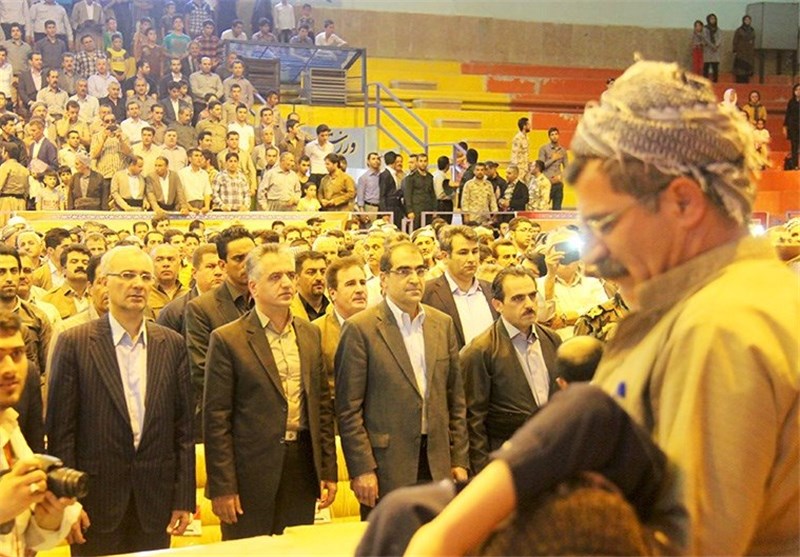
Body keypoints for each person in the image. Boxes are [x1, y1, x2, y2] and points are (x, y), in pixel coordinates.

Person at [405, 59, 799, 556]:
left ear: (683, 203)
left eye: (606, 224)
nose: (592, 258)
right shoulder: (699, 306)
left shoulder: (722, 326)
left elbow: (691, 546)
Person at [46, 246, 195, 556]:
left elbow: (183, 429)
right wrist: (68, 500)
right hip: (94, 498)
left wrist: (183, 498)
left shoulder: (171, 344)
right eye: (127, 276)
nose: (138, 284)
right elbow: (62, 432)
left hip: (155, 498)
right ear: (103, 281)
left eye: (145, 277)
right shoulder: (75, 342)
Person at [204, 243, 337, 539]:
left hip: (301, 465)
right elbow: (216, 421)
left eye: (290, 275)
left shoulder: (309, 333)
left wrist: (327, 470)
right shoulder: (228, 339)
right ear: (253, 286)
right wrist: (223, 486)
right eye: (275, 277)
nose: (287, 283)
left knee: (296, 549)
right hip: (249, 472)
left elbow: (322, 409)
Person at [335, 241, 469, 519]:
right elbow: (348, 410)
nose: (415, 279)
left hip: (437, 461)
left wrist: (458, 458)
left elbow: (455, 400)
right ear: (383, 279)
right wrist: (362, 469)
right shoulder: (361, 329)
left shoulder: (442, 324)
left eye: (420, 270)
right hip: (386, 465)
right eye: (404, 271)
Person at [460, 267, 562, 474]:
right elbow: (473, 419)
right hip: (507, 456)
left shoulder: (551, 339)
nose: (529, 304)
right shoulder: (480, 350)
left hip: (553, 450)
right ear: (497, 305)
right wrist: (483, 471)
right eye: (518, 299)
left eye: (532, 296)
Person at [0, 312, 82, 557]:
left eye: (17, 354)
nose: (10, 369)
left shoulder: (10, 426)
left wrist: (48, 519)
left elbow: (22, 539)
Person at [422, 225, 496, 349]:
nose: (471, 259)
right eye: (463, 253)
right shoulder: (427, 293)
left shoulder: (492, 290)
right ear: (445, 257)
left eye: (475, 251)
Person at [538, 127, 568, 210]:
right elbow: (540, 166)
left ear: (559, 135)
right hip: (546, 183)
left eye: (556, 134)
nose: (554, 136)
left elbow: (567, 168)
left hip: (558, 184)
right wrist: (553, 159)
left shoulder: (563, 151)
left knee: (557, 209)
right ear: (549, 137)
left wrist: (560, 177)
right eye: (552, 135)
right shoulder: (543, 149)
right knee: (543, 208)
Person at [732, 15, 755, 84]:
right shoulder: (739, 30)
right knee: (740, 69)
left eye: (749, 20)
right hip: (741, 52)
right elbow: (735, 40)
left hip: (749, 53)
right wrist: (735, 49)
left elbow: (753, 40)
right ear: (743, 21)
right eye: (746, 20)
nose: (747, 21)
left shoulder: (752, 30)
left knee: (747, 69)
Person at [783, 83, 800, 170]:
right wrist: (785, 126)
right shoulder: (791, 102)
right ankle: (795, 165)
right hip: (793, 127)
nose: (798, 91)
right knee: (794, 147)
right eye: (797, 90)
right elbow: (788, 114)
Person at [703, 13, 721, 83]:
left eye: (714, 19)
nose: (713, 20)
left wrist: (716, 45)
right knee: (706, 67)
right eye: (711, 19)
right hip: (708, 50)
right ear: (708, 20)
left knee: (715, 67)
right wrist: (712, 46)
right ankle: (705, 82)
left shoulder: (718, 29)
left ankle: (715, 82)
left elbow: (720, 38)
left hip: (715, 50)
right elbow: (705, 39)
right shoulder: (705, 29)